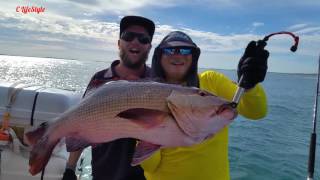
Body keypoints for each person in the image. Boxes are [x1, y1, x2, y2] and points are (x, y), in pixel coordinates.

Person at [141, 31, 268, 180]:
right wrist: (143, 135)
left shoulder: (212, 81)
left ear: (193, 56)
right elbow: (151, 165)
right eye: (169, 50)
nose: (177, 55)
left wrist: (249, 86)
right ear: (159, 56)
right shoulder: (147, 96)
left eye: (185, 50)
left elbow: (256, 112)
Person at [62, 15, 155, 180]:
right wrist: (70, 168)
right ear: (119, 43)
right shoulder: (99, 79)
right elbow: (80, 125)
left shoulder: (157, 83)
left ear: (149, 47)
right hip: (103, 173)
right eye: (128, 36)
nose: (135, 42)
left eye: (143, 39)